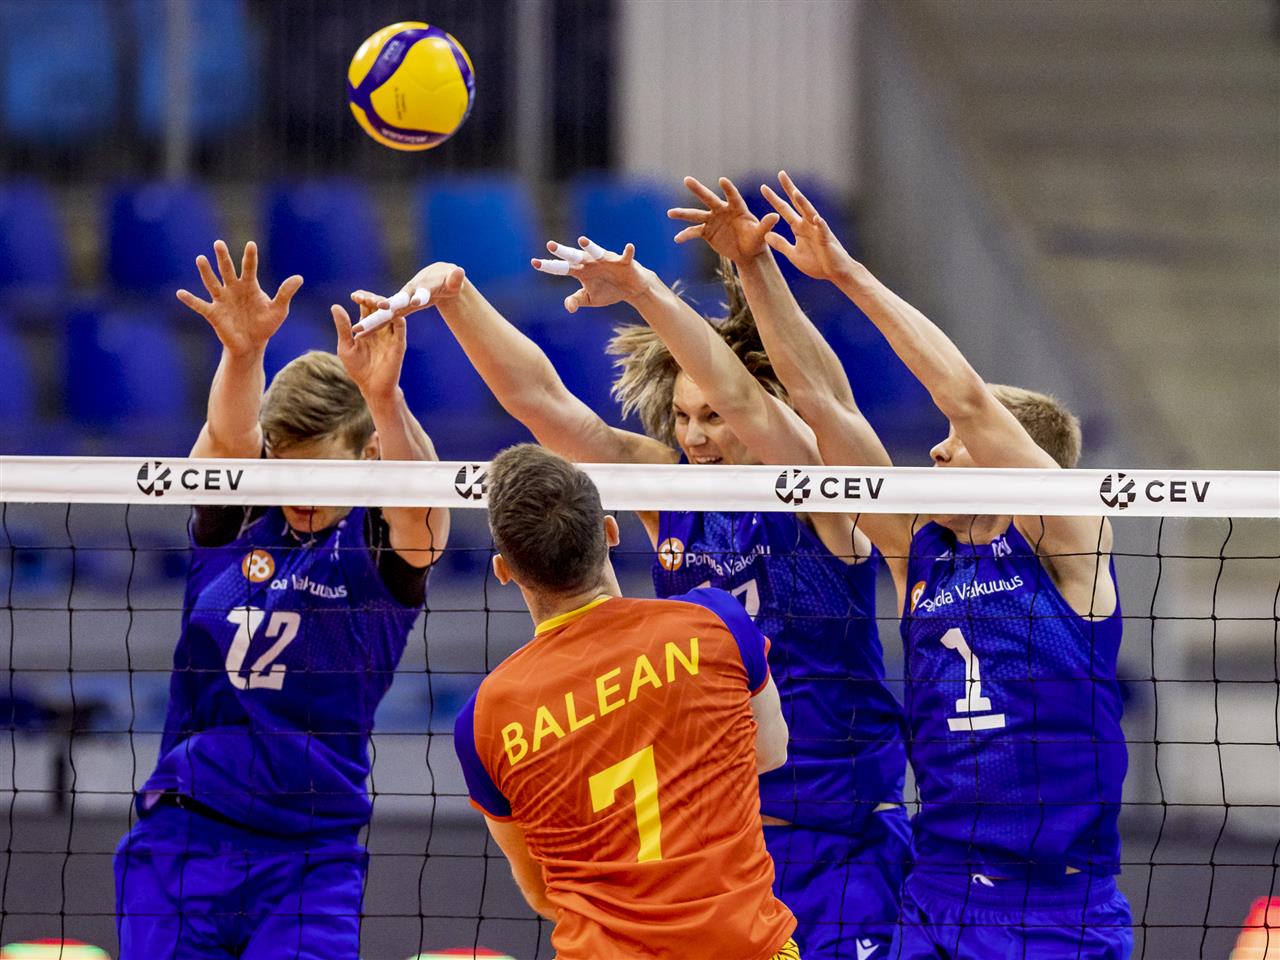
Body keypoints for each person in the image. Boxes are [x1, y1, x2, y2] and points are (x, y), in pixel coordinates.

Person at [361, 228, 909, 956]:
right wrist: (459, 298)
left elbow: (750, 403)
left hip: (839, 842)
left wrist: (645, 290)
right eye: (682, 418)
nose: (695, 437)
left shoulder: (817, 495)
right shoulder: (670, 491)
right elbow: (545, 405)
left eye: (711, 417)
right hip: (718, 851)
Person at [743, 171, 1131, 959]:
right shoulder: (917, 550)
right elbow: (824, 405)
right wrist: (752, 266)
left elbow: (968, 402)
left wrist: (847, 274)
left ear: (1007, 462)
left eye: (956, 446)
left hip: (1055, 906)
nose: (937, 451)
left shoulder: (1069, 544)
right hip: (938, 890)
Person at [113, 241, 452, 959]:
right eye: (285, 467)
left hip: (311, 857)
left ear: (367, 457)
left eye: (318, 473)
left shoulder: (382, 546)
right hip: (186, 834)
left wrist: (384, 397)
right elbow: (228, 437)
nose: (298, 492)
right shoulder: (242, 512)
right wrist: (243, 355)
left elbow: (423, 501)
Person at [453, 443, 799, 960]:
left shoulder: (485, 717)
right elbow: (770, 754)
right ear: (611, 531)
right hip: (746, 948)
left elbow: (542, 892)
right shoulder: (715, 621)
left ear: (504, 570)